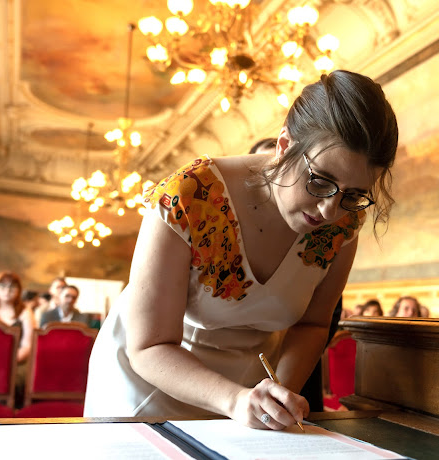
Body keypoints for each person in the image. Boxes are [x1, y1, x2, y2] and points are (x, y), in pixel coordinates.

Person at [85, 70, 398, 430]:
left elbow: (312, 324)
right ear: (284, 146)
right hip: (148, 386)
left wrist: (277, 396)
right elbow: (148, 347)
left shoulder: (343, 224)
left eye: (354, 194)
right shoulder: (188, 198)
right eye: (320, 181)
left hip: (248, 396)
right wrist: (234, 399)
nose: (330, 210)